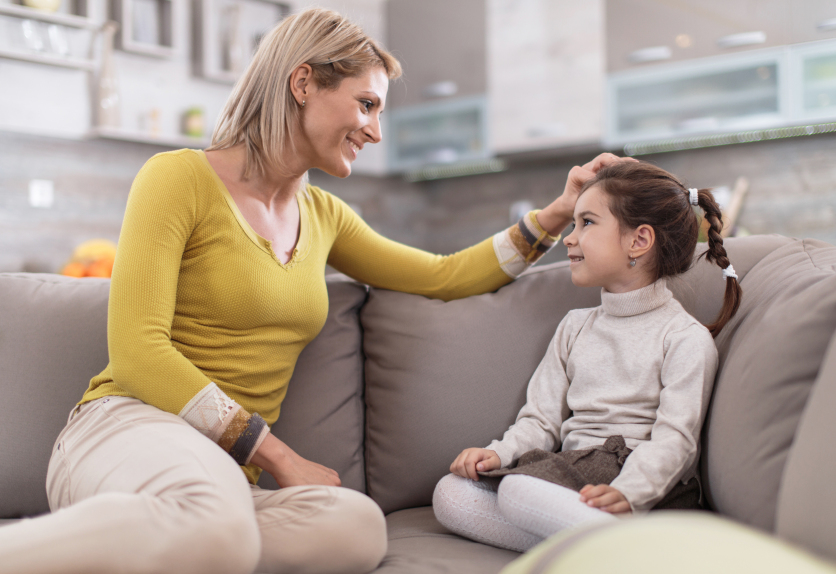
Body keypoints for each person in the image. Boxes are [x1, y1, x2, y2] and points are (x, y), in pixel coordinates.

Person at [0, 7, 634, 574]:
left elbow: (445, 276)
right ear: (303, 83)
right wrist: (275, 454)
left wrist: (555, 215)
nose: (375, 131)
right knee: (215, 525)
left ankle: (185, 542)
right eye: (365, 105)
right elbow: (138, 351)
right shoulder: (177, 179)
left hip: (220, 477)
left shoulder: (325, 217)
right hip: (128, 430)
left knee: (353, 529)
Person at [433, 161, 743, 553]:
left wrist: (631, 494)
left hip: (640, 486)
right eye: (574, 223)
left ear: (639, 240)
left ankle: (615, 542)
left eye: (587, 223)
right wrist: (498, 453)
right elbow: (540, 420)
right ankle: (613, 551)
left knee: (517, 491)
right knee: (451, 494)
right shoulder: (574, 326)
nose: (569, 237)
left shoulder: (684, 338)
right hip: (574, 473)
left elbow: (676, 441)